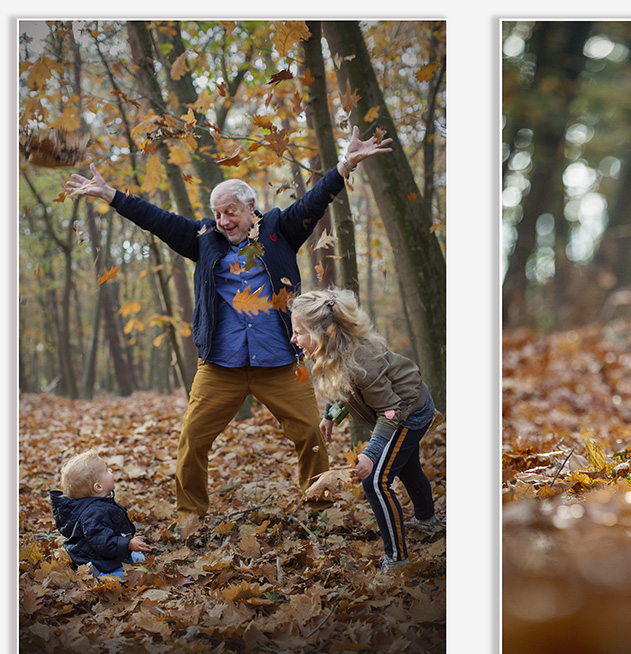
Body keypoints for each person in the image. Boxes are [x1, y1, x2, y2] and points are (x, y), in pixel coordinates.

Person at [65, 128, 393, 519]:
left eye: (230, 211)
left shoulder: (279, 229)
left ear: (250, 206)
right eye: (218, 213)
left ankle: (319, 508)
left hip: (280, 364)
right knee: (192, 439)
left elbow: (314, 200)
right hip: (221, 365)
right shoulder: (203, 238)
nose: (223, 220)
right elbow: (158, 220)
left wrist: (345, 165)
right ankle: (190, 514)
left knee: (310, 435)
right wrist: (111, 196)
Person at [290, 287, 441, 573]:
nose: (293, 338)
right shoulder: (331, 352)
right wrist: (330, 415)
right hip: (396, 412)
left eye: (299, 332)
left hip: (409, 413)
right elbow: (340, 387)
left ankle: (397, 560)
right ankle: (427, 520)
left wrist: (371, 454)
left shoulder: (362, 362)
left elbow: (390, 411)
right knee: (408, 468)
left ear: (321, 334)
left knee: (375, 480)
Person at [50, 449, 152, 578]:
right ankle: (99, 574)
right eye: (106, 471)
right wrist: (128, 544)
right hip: (95, 559)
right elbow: (103, 542)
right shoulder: (94, 513)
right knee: (132, 574)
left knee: (138, 558)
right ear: (98, 487)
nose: (110, 470)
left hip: (99, 552)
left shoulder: (98, 505)